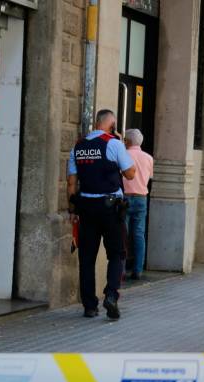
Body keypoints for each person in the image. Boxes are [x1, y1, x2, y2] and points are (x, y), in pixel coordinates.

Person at [67, 109, 136, 319]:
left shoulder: (78, 146)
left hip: (86, 207)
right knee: (117, 253)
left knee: (86, 257)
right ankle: (111, 295)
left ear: (96, 122)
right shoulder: (113, 144)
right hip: (110, 208)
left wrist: (72, 210)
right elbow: (131, 174)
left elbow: (71, 183)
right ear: (112, 124)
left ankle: (89, 306)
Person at [122, 129, 153, 280]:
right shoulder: (148, 158)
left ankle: (120, 269)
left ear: (127, 141)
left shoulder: (123, 155)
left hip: (125, 198)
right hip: (141, 198)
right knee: (139, 235)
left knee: (123, 235)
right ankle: (138, 270)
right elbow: (149, 176)